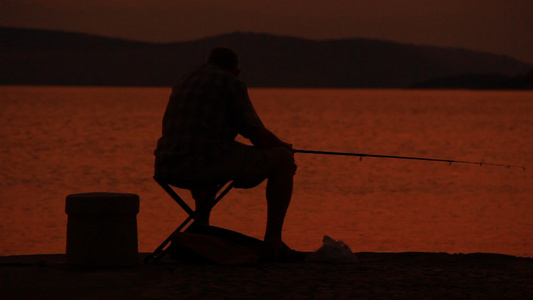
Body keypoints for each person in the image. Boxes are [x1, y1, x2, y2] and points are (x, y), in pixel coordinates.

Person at [154, 47, 298, 260]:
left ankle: (201, 231)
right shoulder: (230, 82)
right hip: (202, 164)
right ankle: (273, 243)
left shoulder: (184, 80)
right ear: (235, 70)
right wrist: (283, 146)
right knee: (283, 160)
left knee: (208, 155)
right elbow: (255, 133)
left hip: (167, 166)